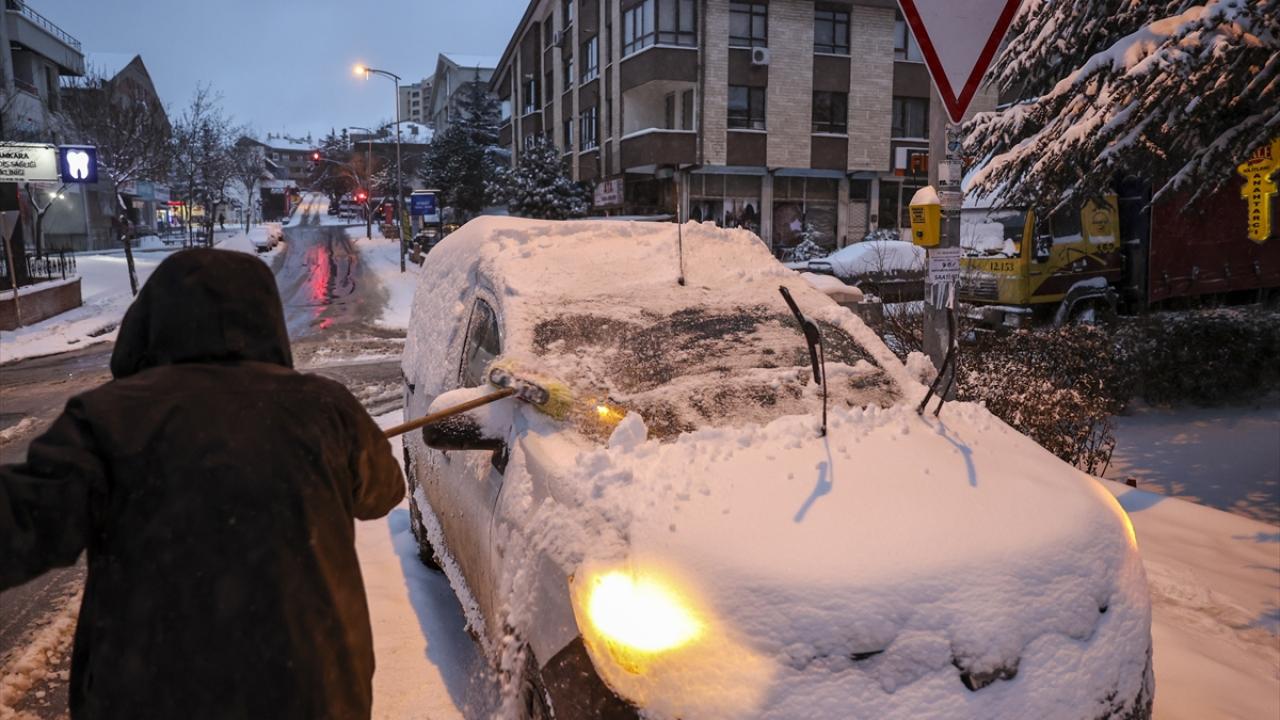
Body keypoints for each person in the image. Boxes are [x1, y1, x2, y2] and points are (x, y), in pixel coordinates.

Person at [0, 249, 404, 719]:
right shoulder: (324, 408)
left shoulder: (109, 418)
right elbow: (383, 492)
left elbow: (25, 521)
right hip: (310, 690)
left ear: (149, 322)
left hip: (152, 694)